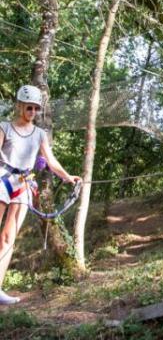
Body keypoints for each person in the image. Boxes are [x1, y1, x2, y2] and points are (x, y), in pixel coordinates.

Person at [0, 85, 81, 305]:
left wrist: (67, 177)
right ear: (19, 105)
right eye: (29, 107)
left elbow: (51, 160)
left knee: (8, 237)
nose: (32, 112)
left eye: (36, 108)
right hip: (2, 178)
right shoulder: (4, 127)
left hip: (23, 184)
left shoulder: (39, 134)